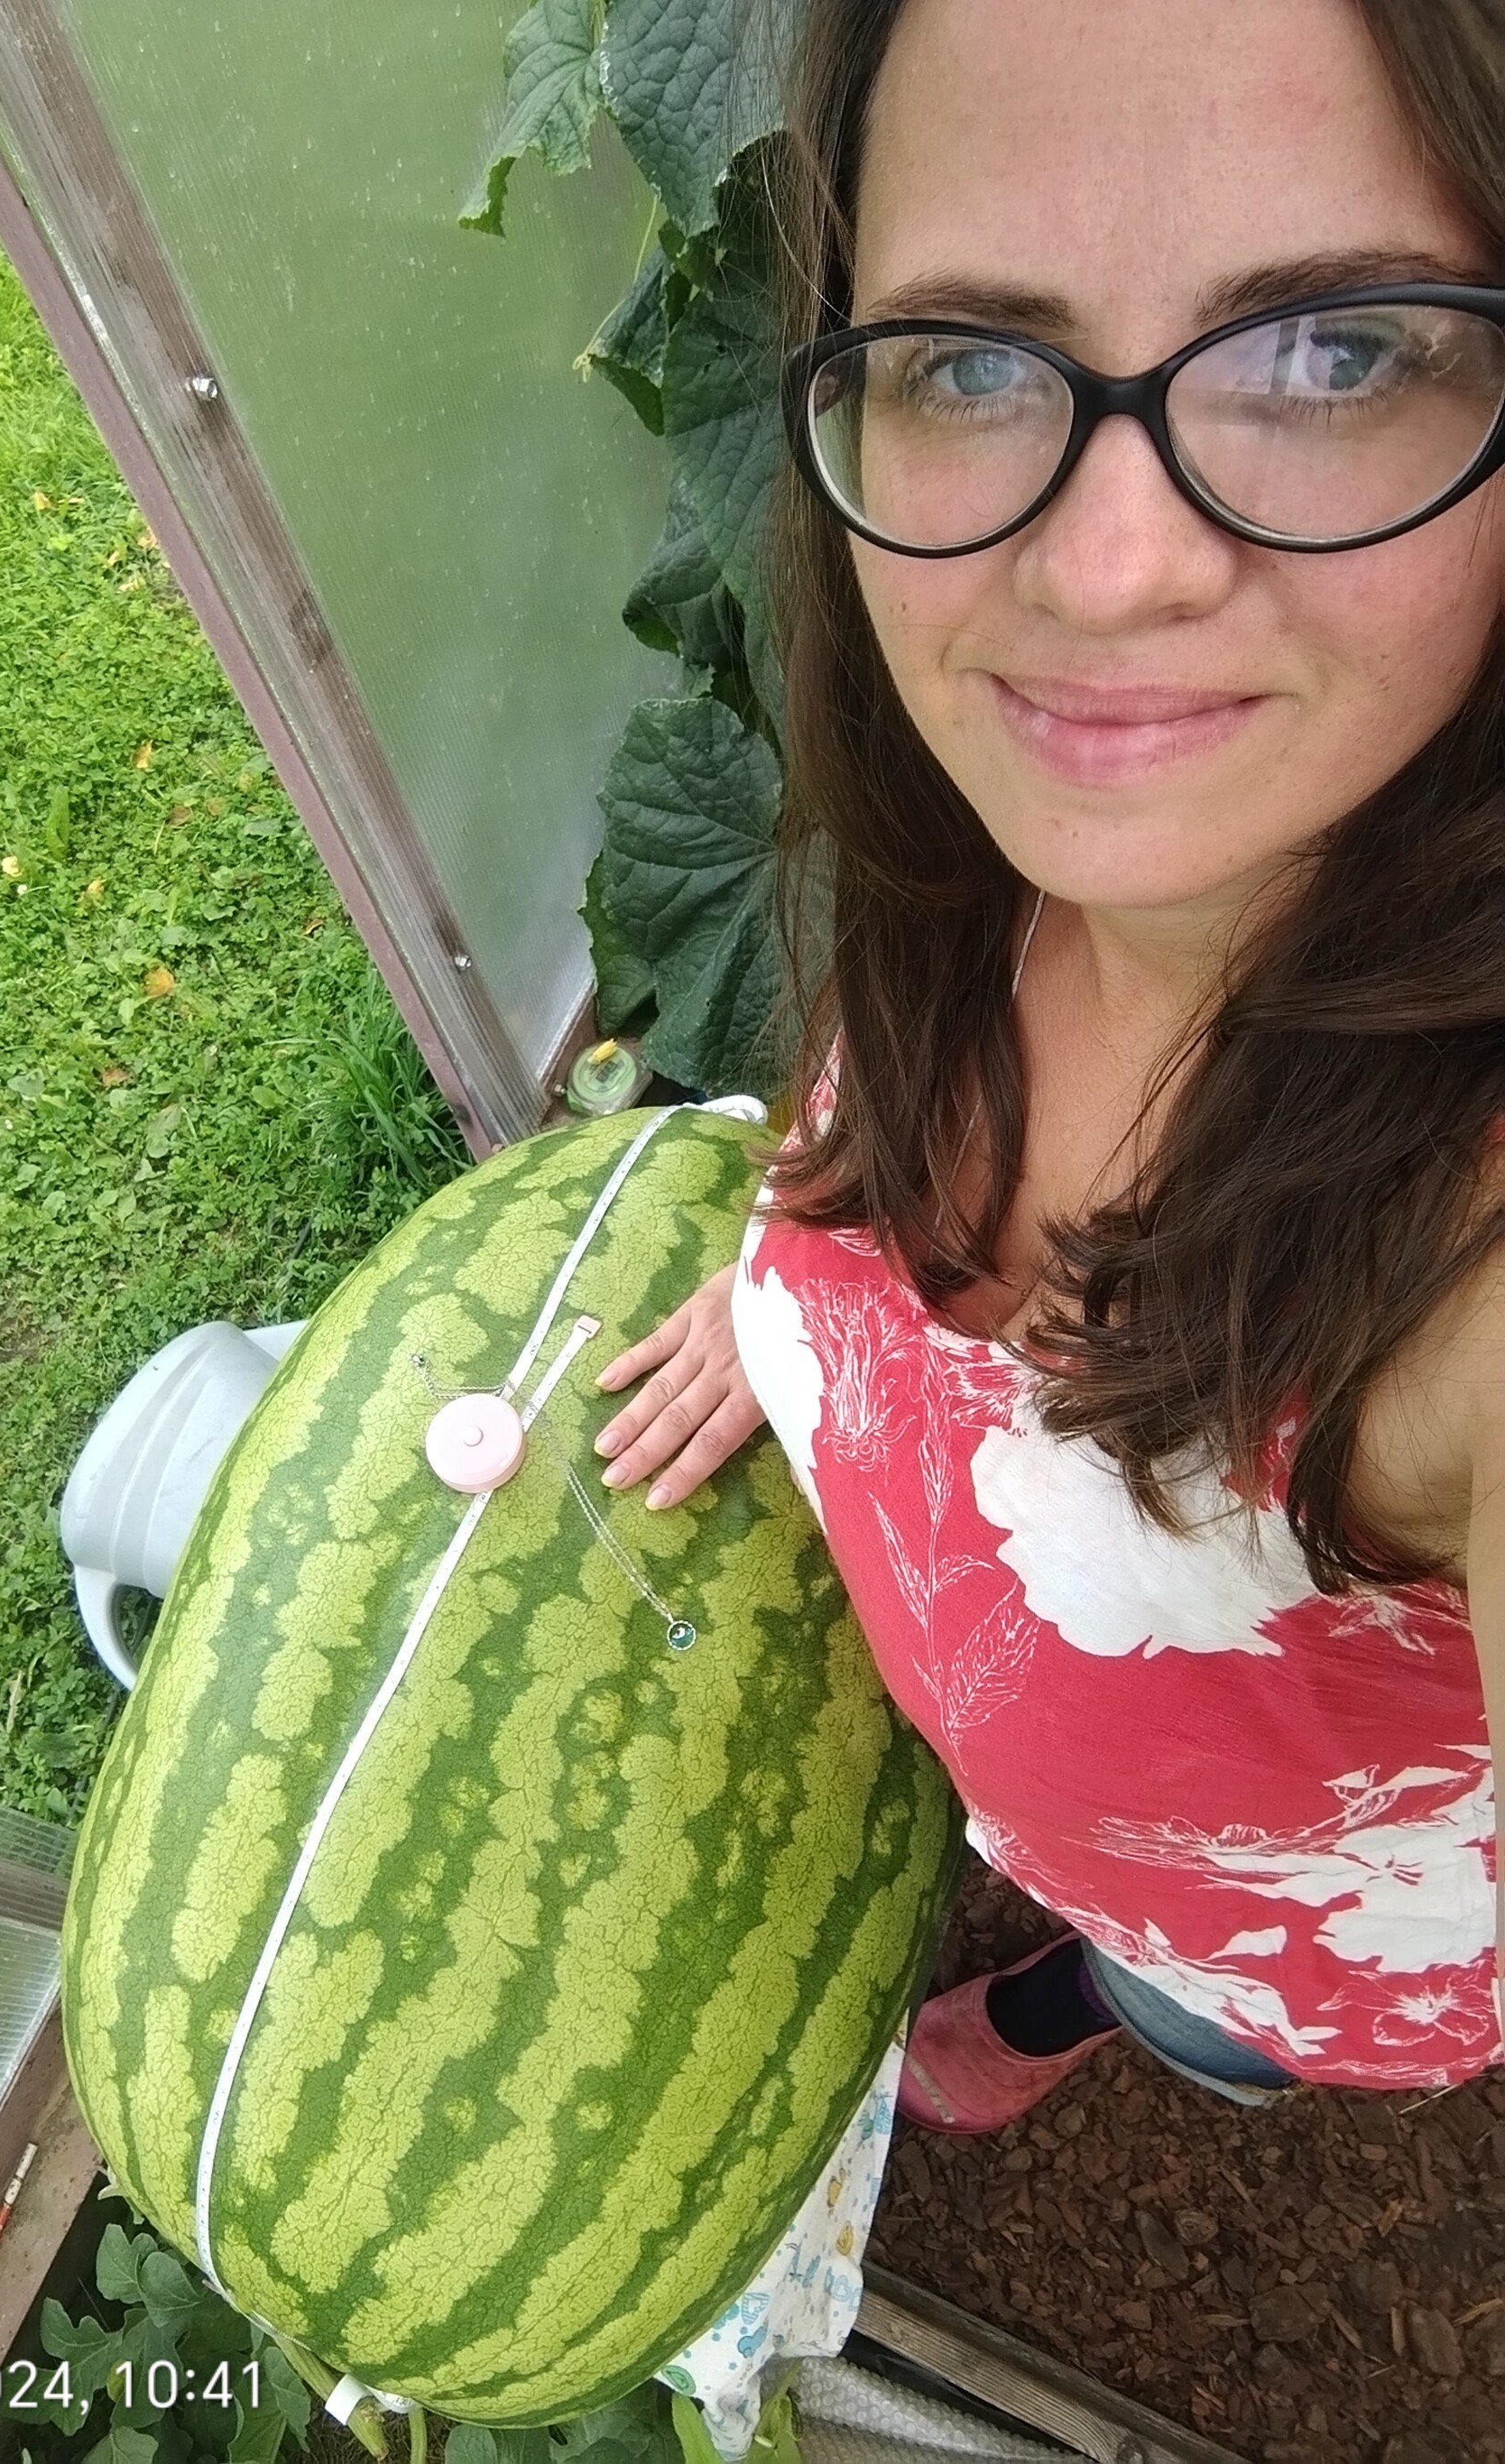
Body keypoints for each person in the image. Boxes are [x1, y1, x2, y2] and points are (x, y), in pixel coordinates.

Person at [594, 0, 1505, 2127]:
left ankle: (1093, 2012)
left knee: (1209, 2007)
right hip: (1040, 1801)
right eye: (970, 364)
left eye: (1337, 350)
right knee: (1089, 1894)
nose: (1099, 573)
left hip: (1308, 1936)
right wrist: (824, 1304)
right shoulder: (992, 871)